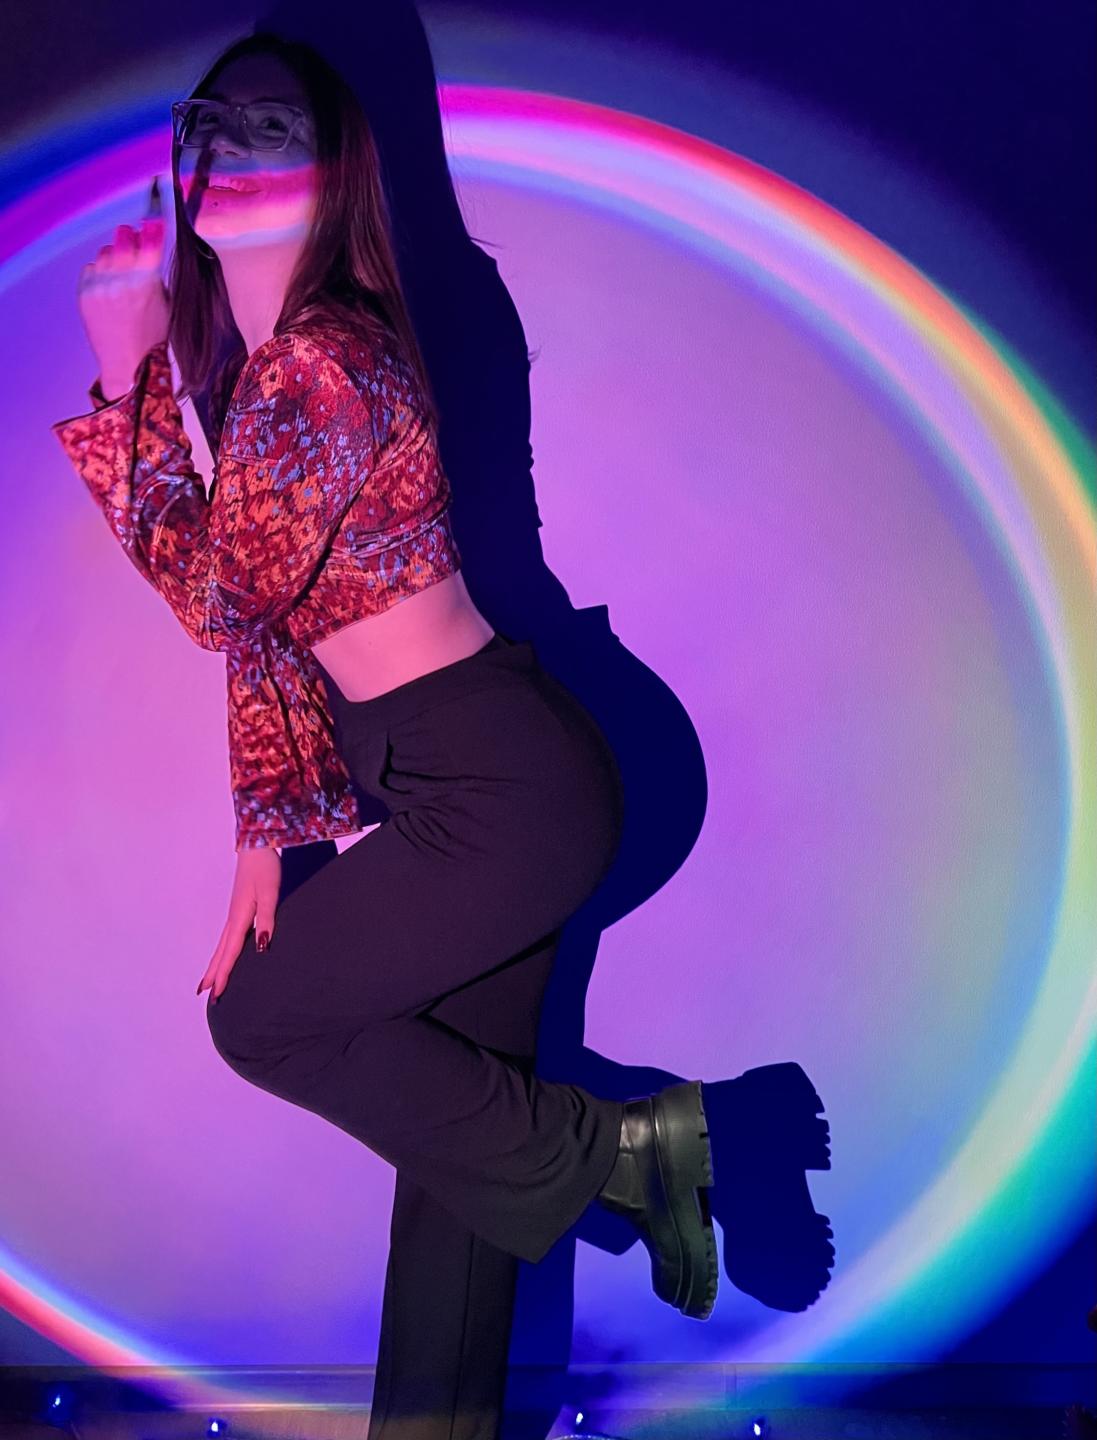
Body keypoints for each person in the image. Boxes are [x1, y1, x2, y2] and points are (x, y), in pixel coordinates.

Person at [50, 30, 724, 1439]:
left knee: (261, 1021)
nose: (233, 147)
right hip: (467, 782)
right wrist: (266, 833)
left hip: (498, 788)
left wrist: (122, 388)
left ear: (335, 166)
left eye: (273, 126)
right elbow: (275, 624)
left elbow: (220, 599)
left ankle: (625, 1149)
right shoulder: (271, 368)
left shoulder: (322, 364)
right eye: (211, 123)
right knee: (458, 1192)